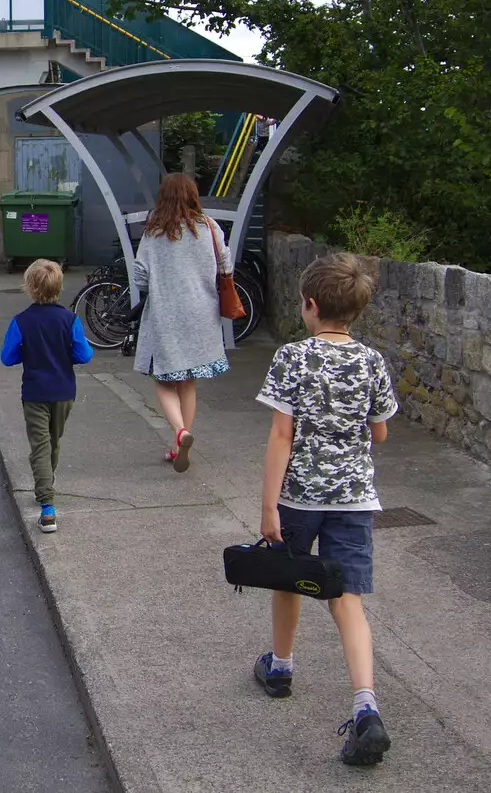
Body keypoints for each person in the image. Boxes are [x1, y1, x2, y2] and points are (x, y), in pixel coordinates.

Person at [252, 253, 399, 767]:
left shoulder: (292, 358)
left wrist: (268, 505)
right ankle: (365, 706)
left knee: (289, 579)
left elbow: (280, 434)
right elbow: (379, 431)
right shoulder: (373, 361)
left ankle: (281, 667)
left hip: (299, 498)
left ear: (310, 305)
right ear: (355, 311)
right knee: (348, 598)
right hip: (355, 499)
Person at [130, 172, 232, 472]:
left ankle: (180, 433)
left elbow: (140, 276)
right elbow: (225, 264)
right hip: (203, 315)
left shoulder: (154, 232)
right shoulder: (210, 227)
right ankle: (179, 444)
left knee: (162, 379)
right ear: (192, 195)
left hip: (166, 315)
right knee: (188, 382)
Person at [0, 259, 95, 533]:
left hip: (34, 393)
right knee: (52, 443)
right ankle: (46, 491)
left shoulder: (21, 321)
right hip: (64, 391)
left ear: (29, 288)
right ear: (59, 287)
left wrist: (26, 351)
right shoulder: (70, 320)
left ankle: (47, 507)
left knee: (40, 446)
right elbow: (84, 355)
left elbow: (7, 357)